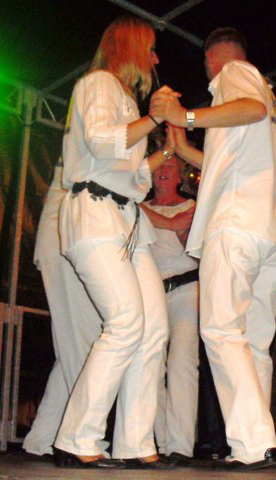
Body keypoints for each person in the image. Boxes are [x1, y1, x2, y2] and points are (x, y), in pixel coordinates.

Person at [149, 27, 276, 471]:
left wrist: (186, 115)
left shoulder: (235, 74)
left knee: (220, 329)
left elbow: (249, 109)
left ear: (212, 59)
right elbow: (223, 161)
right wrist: (181, 143)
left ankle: (255, 441)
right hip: (271, 230)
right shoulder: (265, 98)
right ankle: (254, 441)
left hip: (238, 223)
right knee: (253, 342)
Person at [51, 16, 176, 469]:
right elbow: (103, 143)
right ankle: (76, 437)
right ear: (131, 47)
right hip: (95, 212)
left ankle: (135, 443)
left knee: (154, 328)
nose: (156, 58)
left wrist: (167, 148)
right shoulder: (99, 83)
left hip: (126, 219)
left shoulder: (124, 98)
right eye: (151, 48)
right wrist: (153, 118)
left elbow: (134, 176)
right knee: (125, 322)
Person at [22, 159, 104, 460]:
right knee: (83, 345)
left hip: (66, 240)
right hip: (66, 242)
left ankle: (43, 437)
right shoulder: (92, 140)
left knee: (75, 345)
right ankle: (79, 435)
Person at [140, 153, 198, 467]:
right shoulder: (139, 206)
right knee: (151, 363)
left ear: (180, 176)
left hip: (186, 287)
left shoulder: (191, 206)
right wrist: (171, 224)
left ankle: (180, 446)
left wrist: (184, 234)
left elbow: (201, 250)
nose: (163, 170)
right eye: (160, 166)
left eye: (171, 167)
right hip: (150, 290)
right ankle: (161, 441)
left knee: (181, 361)